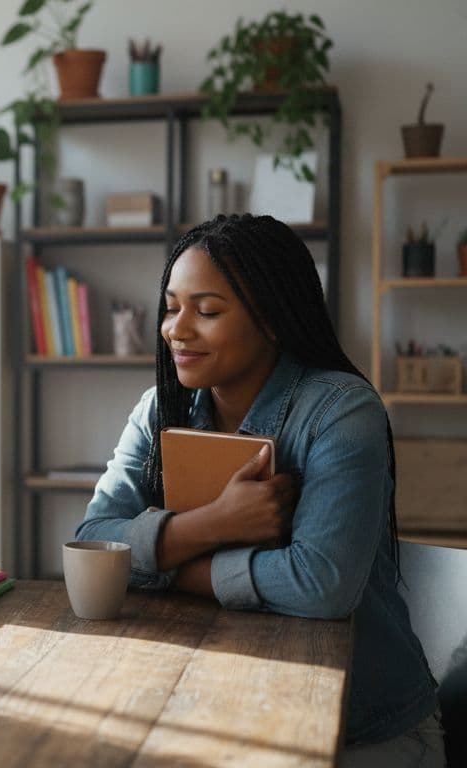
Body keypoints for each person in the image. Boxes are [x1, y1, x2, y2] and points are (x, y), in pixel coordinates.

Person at [76, 214, 443, 765]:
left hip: (363, 730)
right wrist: (214, 524)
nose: (177, 329)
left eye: (207, 311)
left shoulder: (341, 411)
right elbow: (91, 546)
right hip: (218, 713)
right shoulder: (159, 410)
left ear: (272, 318)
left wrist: (171, 567)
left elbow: (321, 585)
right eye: (171, 307)